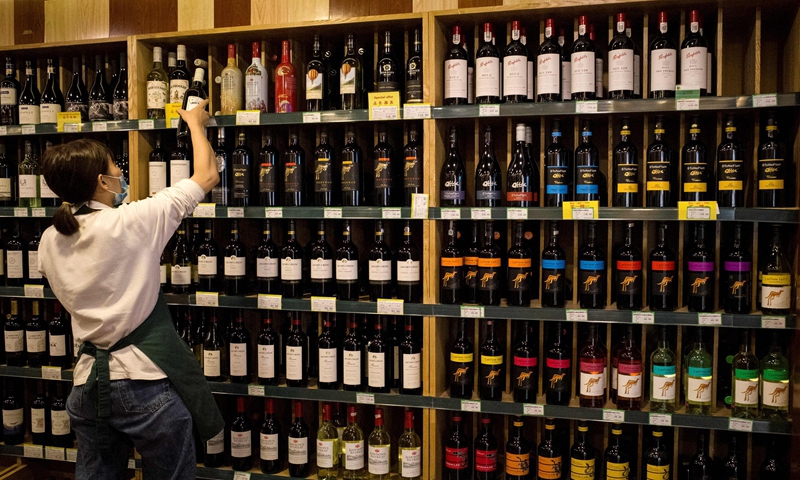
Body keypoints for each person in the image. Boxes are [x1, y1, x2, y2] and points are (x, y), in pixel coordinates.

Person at [38, 100, 223, 479]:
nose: (121, 171)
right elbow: (206, 174)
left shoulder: (48, 240)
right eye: (113, 167)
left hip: (87, 385)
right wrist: (194, 124)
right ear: (102, 182)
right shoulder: (134, 221)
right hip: (145, 385)